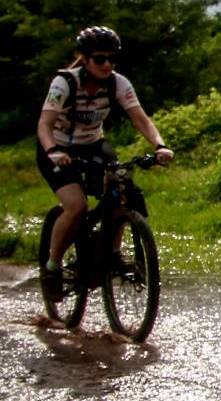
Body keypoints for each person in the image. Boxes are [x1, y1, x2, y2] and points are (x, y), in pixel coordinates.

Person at [37, 26, 174, 282]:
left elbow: (141, 120)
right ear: (85, 59)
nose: (107, 64)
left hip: (93, 144)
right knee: (76, 206)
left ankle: (112, 252)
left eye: (112, 58)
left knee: (121, 191)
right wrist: (53, 151)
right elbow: (44, 125)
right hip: (56, 147)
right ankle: (53, 266)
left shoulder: (119, 83)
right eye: (100, 59)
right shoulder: (64, 83)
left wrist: (159, 145)